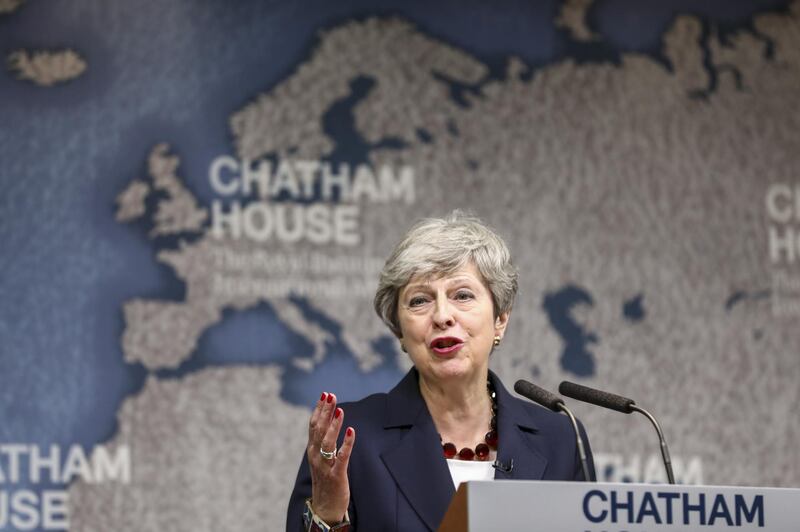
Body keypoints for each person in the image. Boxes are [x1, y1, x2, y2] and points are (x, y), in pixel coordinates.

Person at [287, 211, 594, 532]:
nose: (442, 315)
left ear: (500, 318)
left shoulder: (559, 439)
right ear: (399, 330)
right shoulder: (350, 438)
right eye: (419, 301)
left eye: (462, 295)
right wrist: (327, 515)